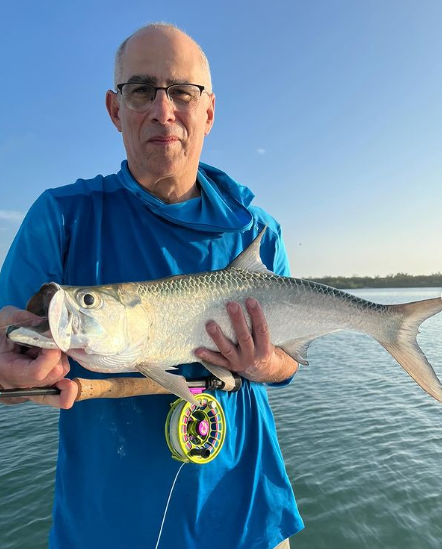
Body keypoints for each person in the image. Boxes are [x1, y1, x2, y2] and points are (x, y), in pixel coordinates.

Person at [0, 23, 304, 549]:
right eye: (142, 90)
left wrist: (264, 364)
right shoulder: (62, 217)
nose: (163, 110)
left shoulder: (257, 230)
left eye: (183, 92)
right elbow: (8, 340)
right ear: (115, 109)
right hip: (105, 530)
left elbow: (287, 366)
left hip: (252, 522)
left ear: (208, 111)